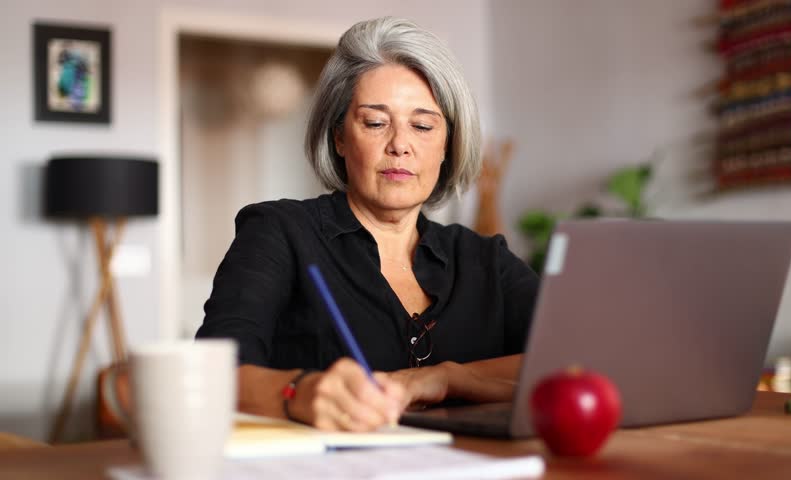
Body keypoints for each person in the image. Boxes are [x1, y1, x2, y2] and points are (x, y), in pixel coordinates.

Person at [196, 17, 539, 432]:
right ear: (339, 136)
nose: (399, 144)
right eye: (376, 122)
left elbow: (575, 361)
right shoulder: (279, 231)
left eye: (423, 125)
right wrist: (298, 392)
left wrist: (446, 378)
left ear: (448, 143)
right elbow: (210, 373)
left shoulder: (485, 259)